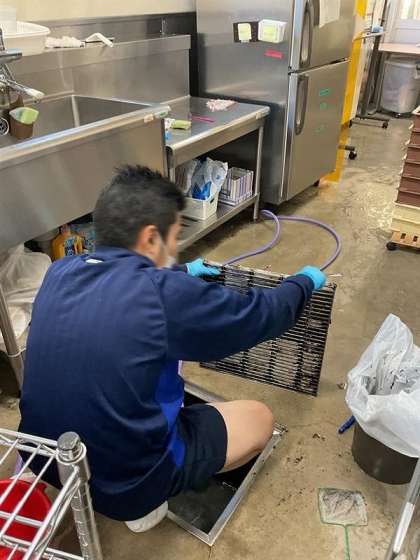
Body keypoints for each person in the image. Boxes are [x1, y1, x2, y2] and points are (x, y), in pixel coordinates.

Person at [19, 165, 326, 532]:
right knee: (259, 419)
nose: (176, 248)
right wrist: (303, 284)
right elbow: (258, 316)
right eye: (175, 236)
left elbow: (123, 286)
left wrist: (182, 273)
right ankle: (144, 505)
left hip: (45, 459)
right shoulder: (162, 296)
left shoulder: (59, 271)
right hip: (124, 486)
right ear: (151, 237)